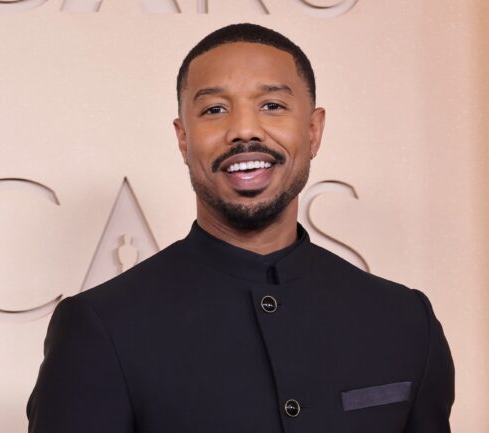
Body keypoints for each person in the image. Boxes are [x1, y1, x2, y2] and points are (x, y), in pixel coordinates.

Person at [27, 23, 454, 433]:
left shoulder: (406, 321)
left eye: (272, 106)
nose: (244, 130)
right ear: (183, 138)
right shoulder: (99, 328)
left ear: (313, 130)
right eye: (214, 109)